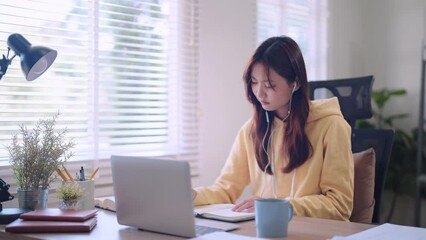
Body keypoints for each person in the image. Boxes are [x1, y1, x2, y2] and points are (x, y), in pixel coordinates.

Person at [193, 36, 354, 221]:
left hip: (312, 232)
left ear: (296, 83)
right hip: (266, 231)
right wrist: (193, 196)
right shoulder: (251, 130)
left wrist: (279, 206)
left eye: (269, 85)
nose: (259, 93)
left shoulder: (331, 126)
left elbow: (339, 205)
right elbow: (225, 189)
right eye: (254, 82)